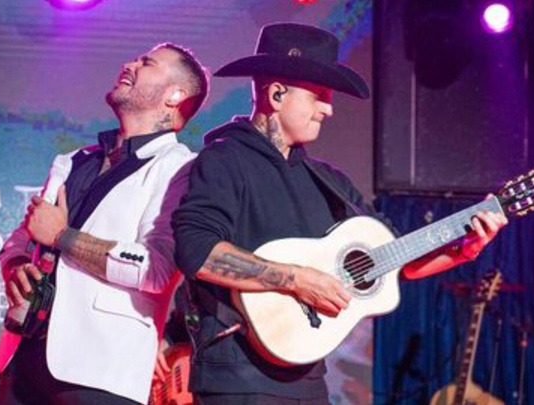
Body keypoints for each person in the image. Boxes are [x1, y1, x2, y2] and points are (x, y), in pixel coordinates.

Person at [172, 23, 508, 405]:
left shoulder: (329, 181)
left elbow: (400, 261)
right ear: (278, 94)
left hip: (309, 378)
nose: (328, 109)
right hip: (236, 379)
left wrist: (463, 249)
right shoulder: (225, 159)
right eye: (318, 96)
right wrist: (294, 279)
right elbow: (195, 249)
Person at [0, 42, 209, 405]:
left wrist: (62, 236)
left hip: (101, 371)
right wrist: (16, 264)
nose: (130, 64)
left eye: (147, 63)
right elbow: (22, 237)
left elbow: (155, 271)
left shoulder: (181, 168)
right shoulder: (73, 160)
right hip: (24, 358)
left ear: (175, 95)